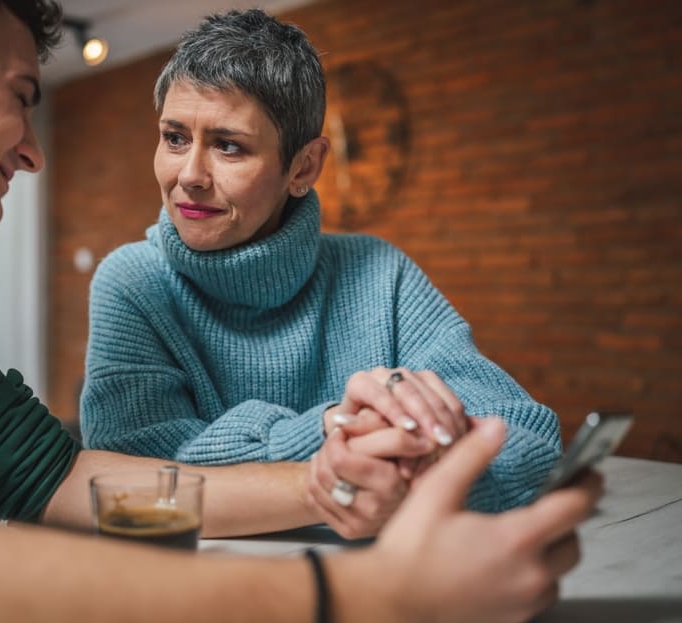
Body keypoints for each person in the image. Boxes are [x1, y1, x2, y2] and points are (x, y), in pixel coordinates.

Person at [0, 2, 601, 623]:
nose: (32, 149)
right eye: (23, 95)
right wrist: (375, 603)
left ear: (303, 166)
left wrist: (335, 474)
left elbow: (57, 473)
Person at [80, 8, 560, 528]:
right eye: (174, 138)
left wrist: (416, 482)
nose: (189, 175)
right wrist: (335, 428)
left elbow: (525, 434)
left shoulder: (382, 276)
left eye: (228, 146)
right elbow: (131, 475)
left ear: (303, 167)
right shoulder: (132, 282)